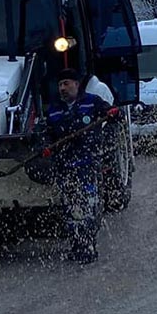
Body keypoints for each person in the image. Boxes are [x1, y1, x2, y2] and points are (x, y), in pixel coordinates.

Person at [45, 68, 120, 264]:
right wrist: (46, 148)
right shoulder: (53, 109)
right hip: (65, 167)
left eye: (67, 84)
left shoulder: (92, 101)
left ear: (77, 85)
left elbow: (111, 114)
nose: (63, 88)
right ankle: (76, 245)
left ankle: (88, 247)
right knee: (71, 208)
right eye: (60, 84)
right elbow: (47, 134)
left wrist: (112, 113)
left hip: (87, 165)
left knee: (87, 206)